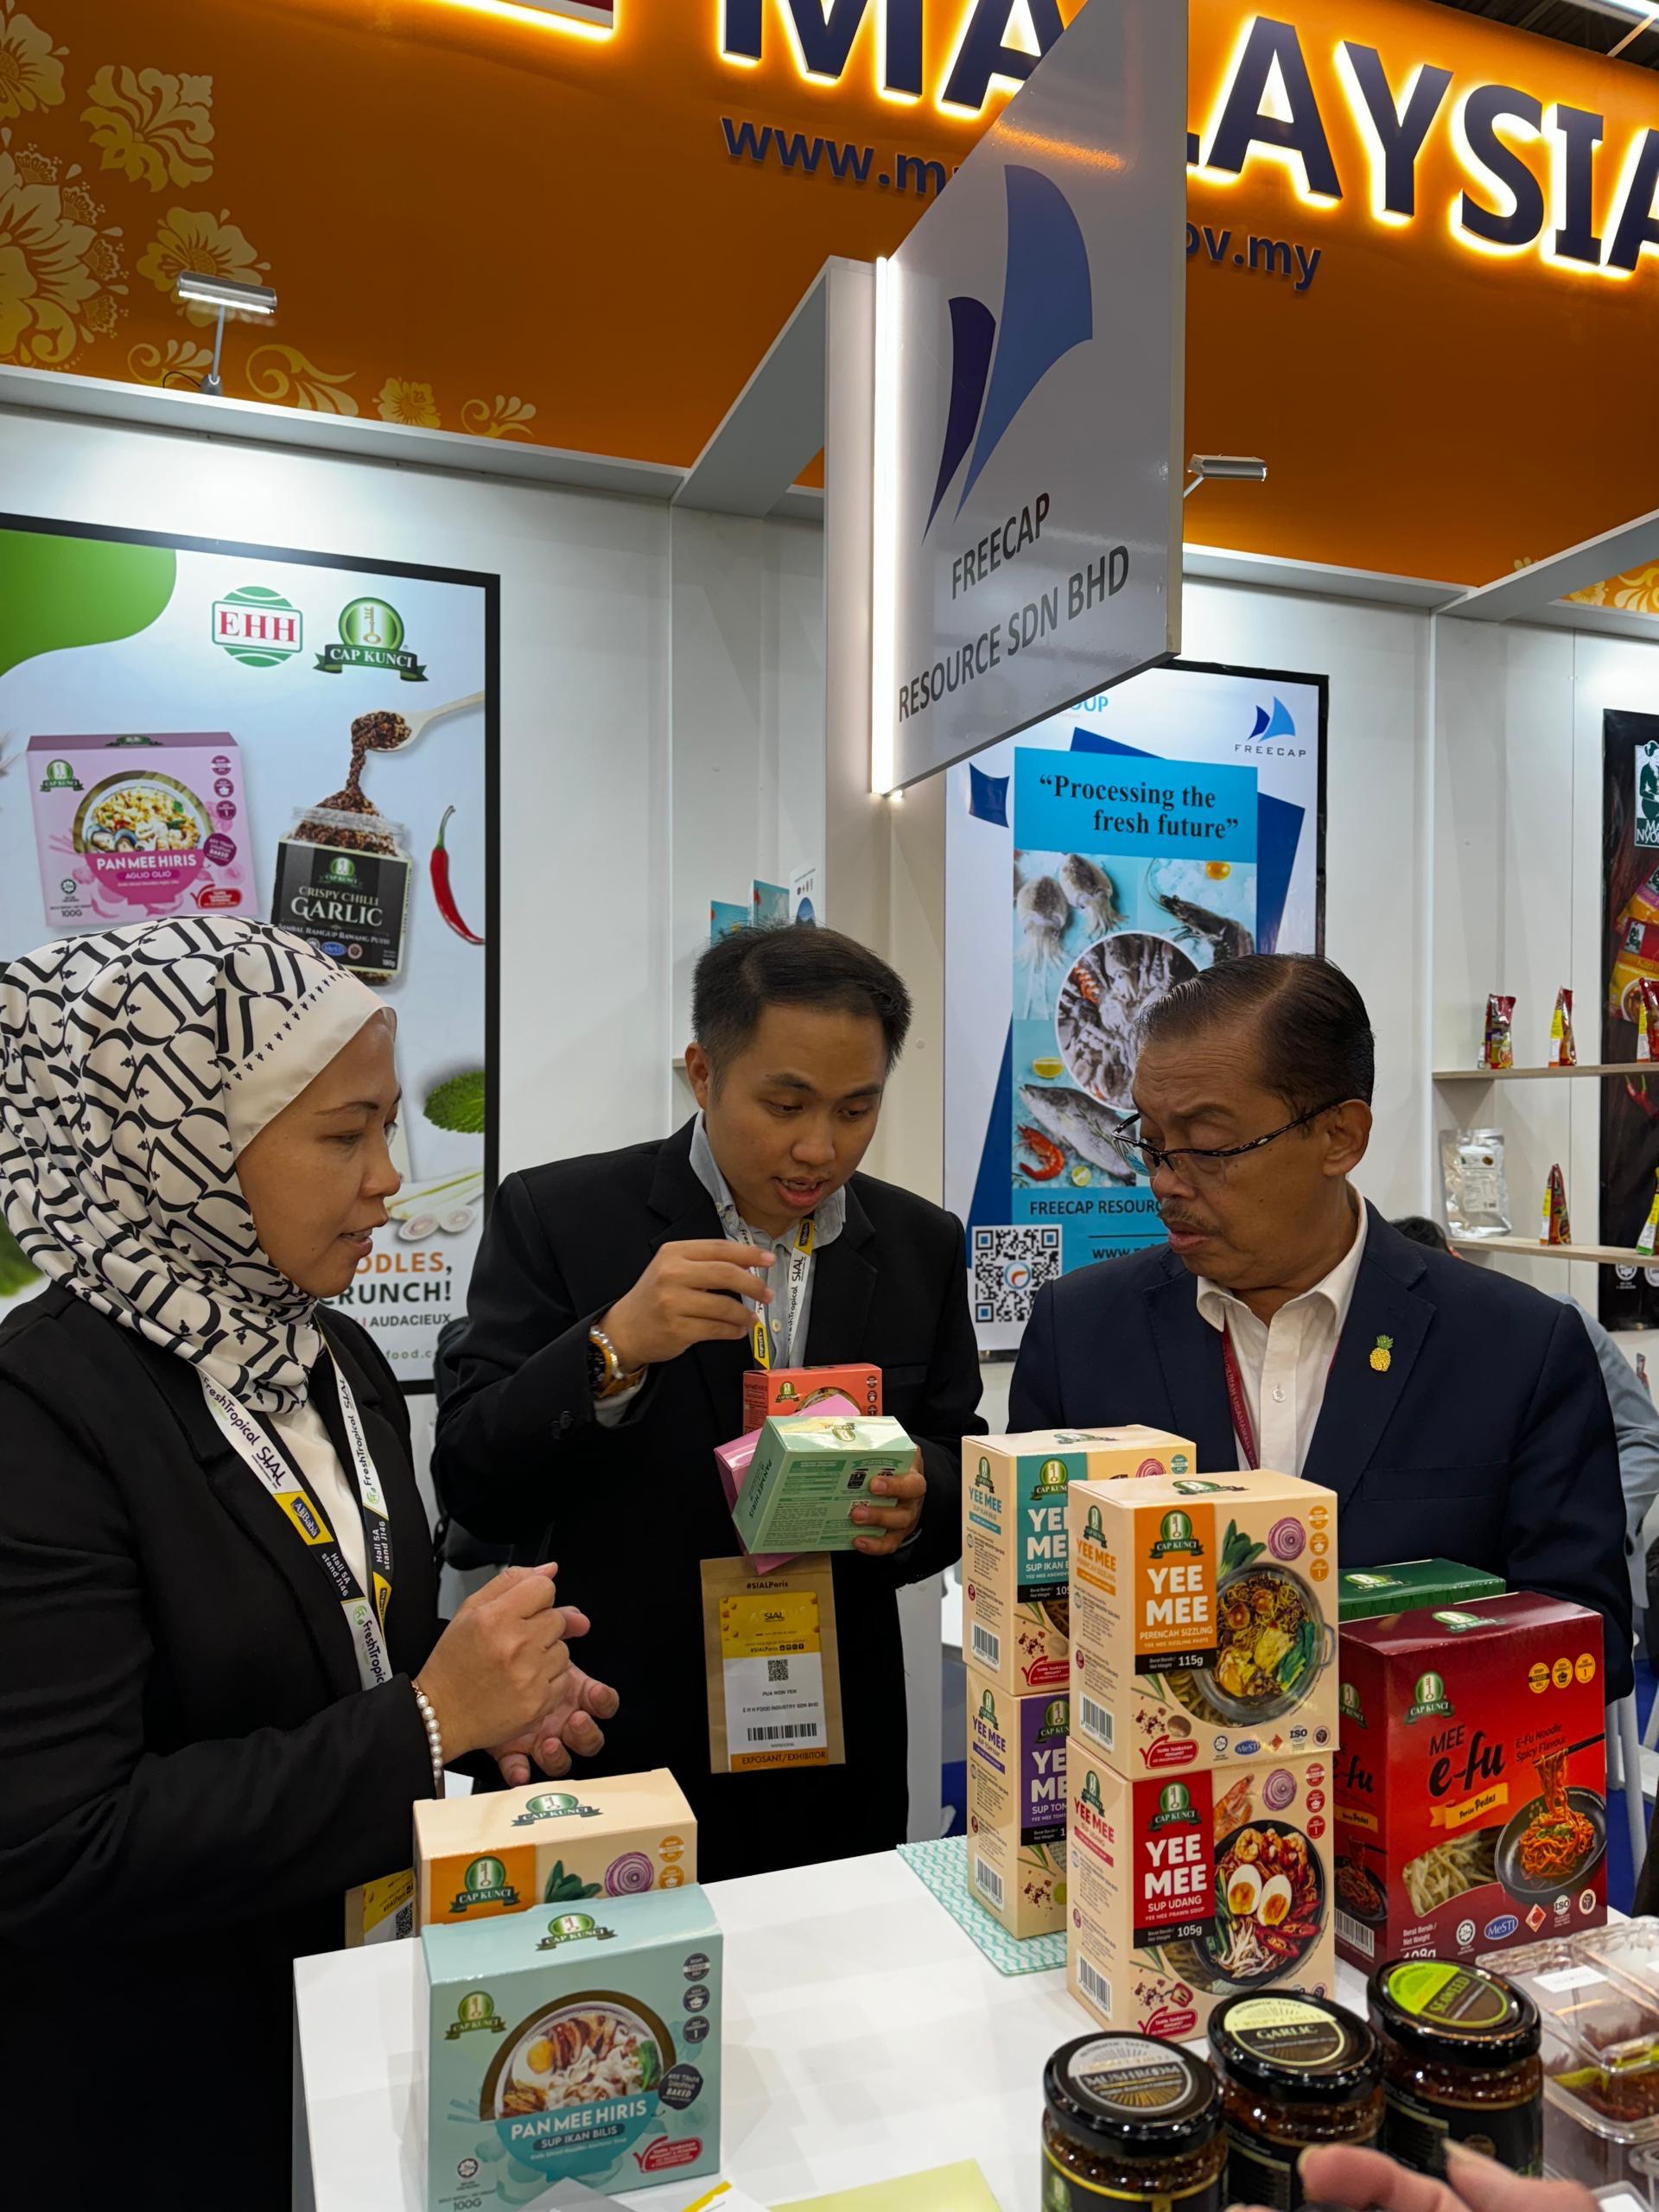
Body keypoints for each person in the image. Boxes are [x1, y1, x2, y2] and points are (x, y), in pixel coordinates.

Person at [0, 918, 618, 2204]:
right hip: (165, 2096)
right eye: (344, 1136)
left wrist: (484, 1708)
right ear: (174, 1143)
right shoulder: (41, 1411)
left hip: (362, 2017)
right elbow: (58, 1843)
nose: (390, 1177)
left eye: (389, 1125)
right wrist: (427, 1720)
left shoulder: (331, 1357)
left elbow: (353, 1660)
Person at [433, 924, 983, 1878]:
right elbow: (475, 1481)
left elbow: (957, 1456)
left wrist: (920, 1495)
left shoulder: (919, 1244)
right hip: (609, 1720)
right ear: (702, 1072)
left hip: (829, 1740)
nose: (819, 1147)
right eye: (785, 1104)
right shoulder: (560, 1216)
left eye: (857, 1109)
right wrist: (611, 1349)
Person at [1009, 953, 1633, 1696]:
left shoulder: (1516, 1349)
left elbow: (1587, 1645)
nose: (1166, 1180)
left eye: (1207, 1146)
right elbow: (1033, 1617)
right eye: (1149, 1140)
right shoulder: (1080, 1333)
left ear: (1341, 1137)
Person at [1392, 1214, 1659, 1622]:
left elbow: (1644, 1435)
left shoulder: (1551, 1324)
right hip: (1470, 1596)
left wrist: (1602, 1525)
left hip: (1589, 1582)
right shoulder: (1401, 1348)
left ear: (1456, 1259)